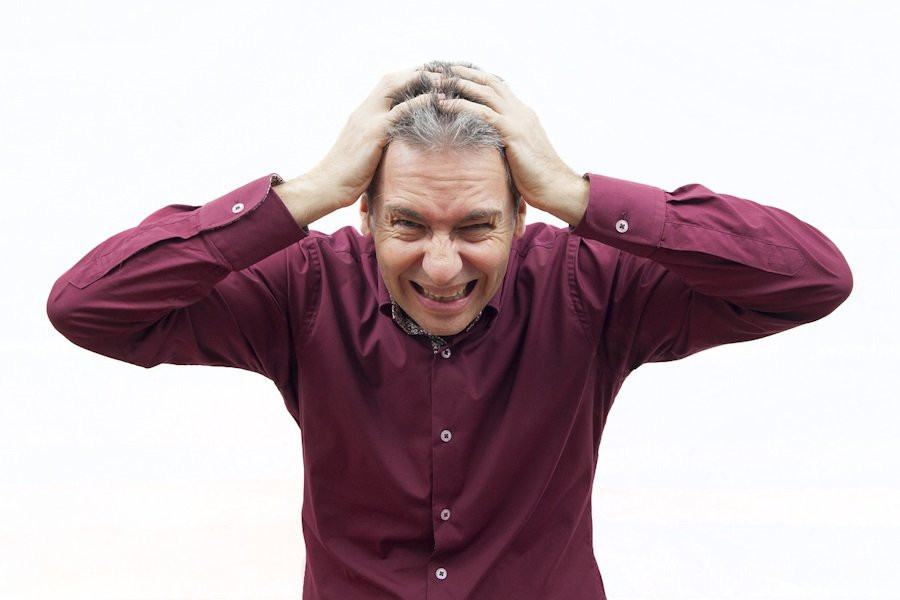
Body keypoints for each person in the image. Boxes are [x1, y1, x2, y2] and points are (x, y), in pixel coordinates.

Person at [47, 61, 853, 599]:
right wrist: (306, 191)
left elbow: (812, 277)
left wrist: (580, 194)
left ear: (522, 213)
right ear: (362, 214)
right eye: (407, 223)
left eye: (475, 225)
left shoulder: (589, 285)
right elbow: (89, 305)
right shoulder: (305, 288)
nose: (441, 266)